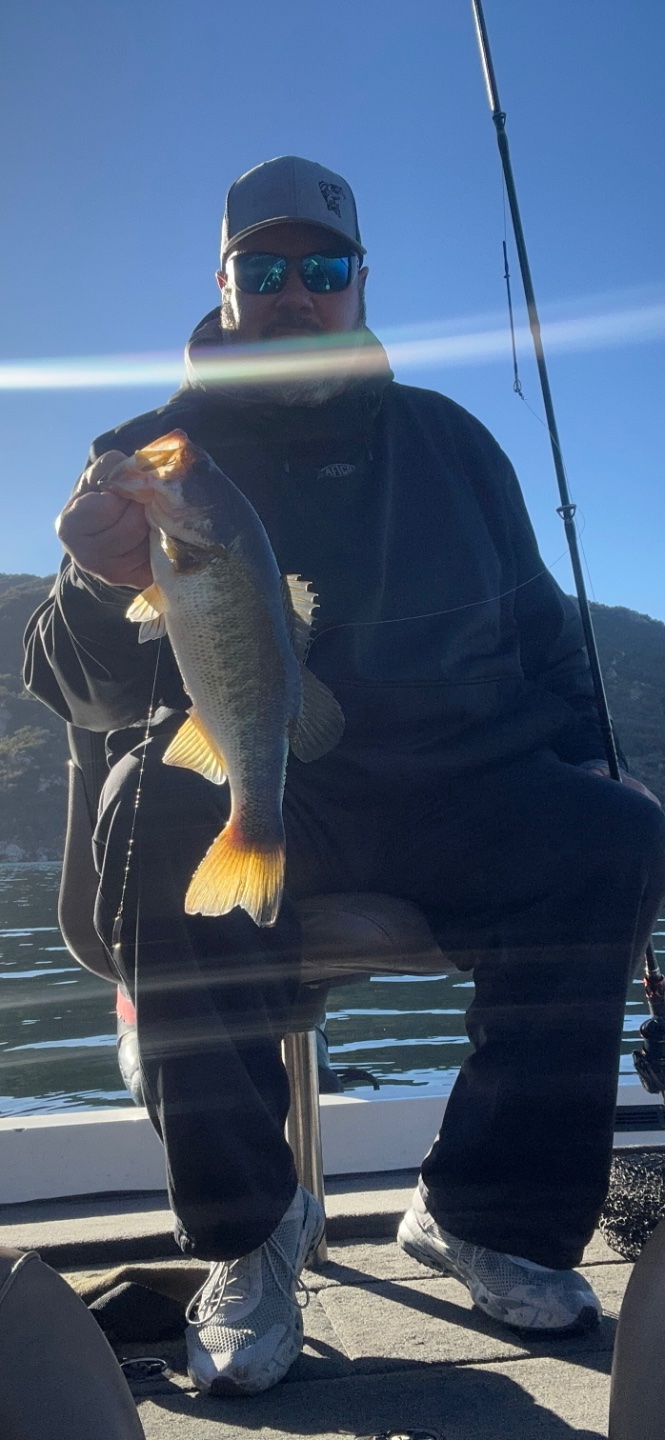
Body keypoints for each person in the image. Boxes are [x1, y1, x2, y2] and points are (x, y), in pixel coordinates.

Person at [24, 156, 665, 1396]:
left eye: (321, 268)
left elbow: (545, 637)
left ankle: (481, 1214)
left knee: (612, 834)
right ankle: (251, 1237)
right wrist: (102, 587)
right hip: (261, 787)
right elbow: (77, 683)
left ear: (360, 283)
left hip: (461, 787)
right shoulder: (147, 454)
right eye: (262, 269)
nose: (293, 293)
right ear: (223, 286)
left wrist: (602, 762)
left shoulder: (452, 443)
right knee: (152, 803)